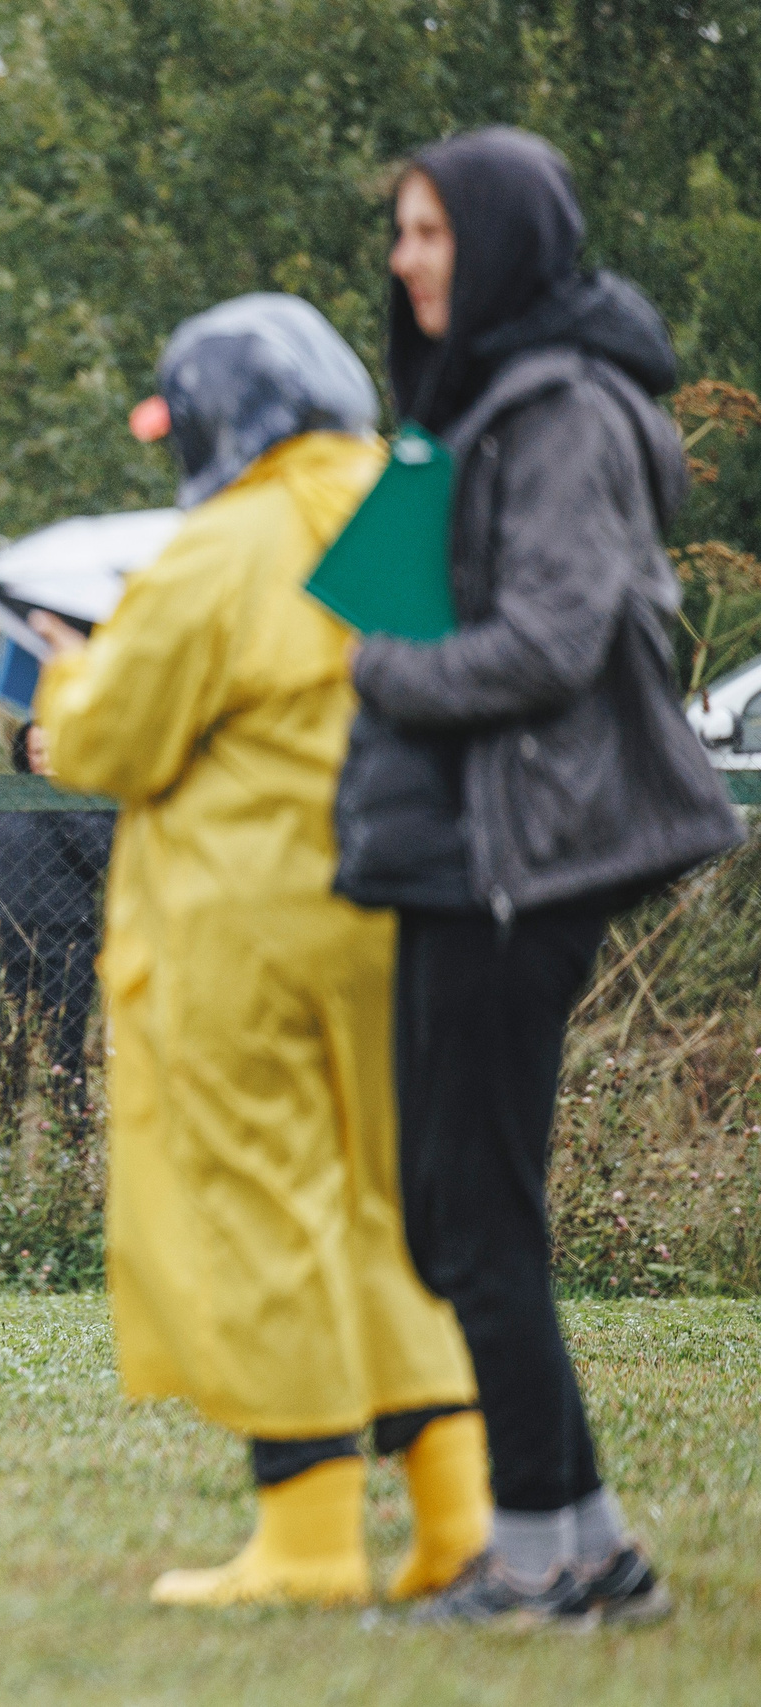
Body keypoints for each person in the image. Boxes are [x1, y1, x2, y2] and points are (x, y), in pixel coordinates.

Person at [335, 128, 742, 1626]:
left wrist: (376, 656)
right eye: (403, 233)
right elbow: (413, 590)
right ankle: (591, 1543)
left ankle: (531, 1556)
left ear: (502, 240)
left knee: (473, 1212)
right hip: (452, 857)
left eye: (433, 233)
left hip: (519, 859)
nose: (406, 260)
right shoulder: (483, 400)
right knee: (451, 1208)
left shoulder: (563, 405)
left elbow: (554, 638)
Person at [30, 293, 484, 1609]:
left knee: (266, 1205)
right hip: (403, 902)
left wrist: (68, 667)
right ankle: (455, 1514)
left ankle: (306, 1534)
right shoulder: (412, 502)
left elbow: (113, 743)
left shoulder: (222, 546)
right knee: (388, 1213)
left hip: (249, 922)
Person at [0, 721, 112, 1136]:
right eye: (37, 752)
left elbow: (103, 857)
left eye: (54, 751)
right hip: (4, 952)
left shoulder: (92, 800)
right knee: (3, 1058)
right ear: (25, 754)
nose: (44, 761)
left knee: (65, 1058)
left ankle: (69, 1156)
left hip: (69, 949)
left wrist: (61, 805)